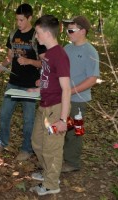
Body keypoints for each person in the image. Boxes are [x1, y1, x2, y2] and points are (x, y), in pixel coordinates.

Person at [0, 3, 46, 161]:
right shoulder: (13, 35)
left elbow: (44, 63)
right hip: (13, 82)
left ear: (30, 18)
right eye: (17, 20)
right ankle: (2, 142)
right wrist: (2, 65)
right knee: (4, 115)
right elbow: (9, 57)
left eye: (22, 20)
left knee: (28, 120)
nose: (19, 23)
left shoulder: (36, 37)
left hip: (30, 86)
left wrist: (29, 61)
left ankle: (26, 149)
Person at [29, 15, 71, 196]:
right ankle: (48, 173)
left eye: (38, 33)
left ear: (46, 33)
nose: (36, 36)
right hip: (44, 105)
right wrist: (38, 90)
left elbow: (66, 89)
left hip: (55, 109)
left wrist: (63, 119)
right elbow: (49, 81)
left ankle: (51, 183)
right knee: (37, 142)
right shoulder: (49, 54)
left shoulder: (60, 55)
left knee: (51, 148)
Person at [62, 16, 100, 172]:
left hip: (78, 101)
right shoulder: (67, 48)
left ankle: (72, 162)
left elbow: (92, 79)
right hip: (62, 99)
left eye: (71, 30)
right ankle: (58, 157)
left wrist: (70, 91)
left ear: (83, 31)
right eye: (67, 29)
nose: (68, 32)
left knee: (75, 132)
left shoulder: (91, 52)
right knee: (60, 129)